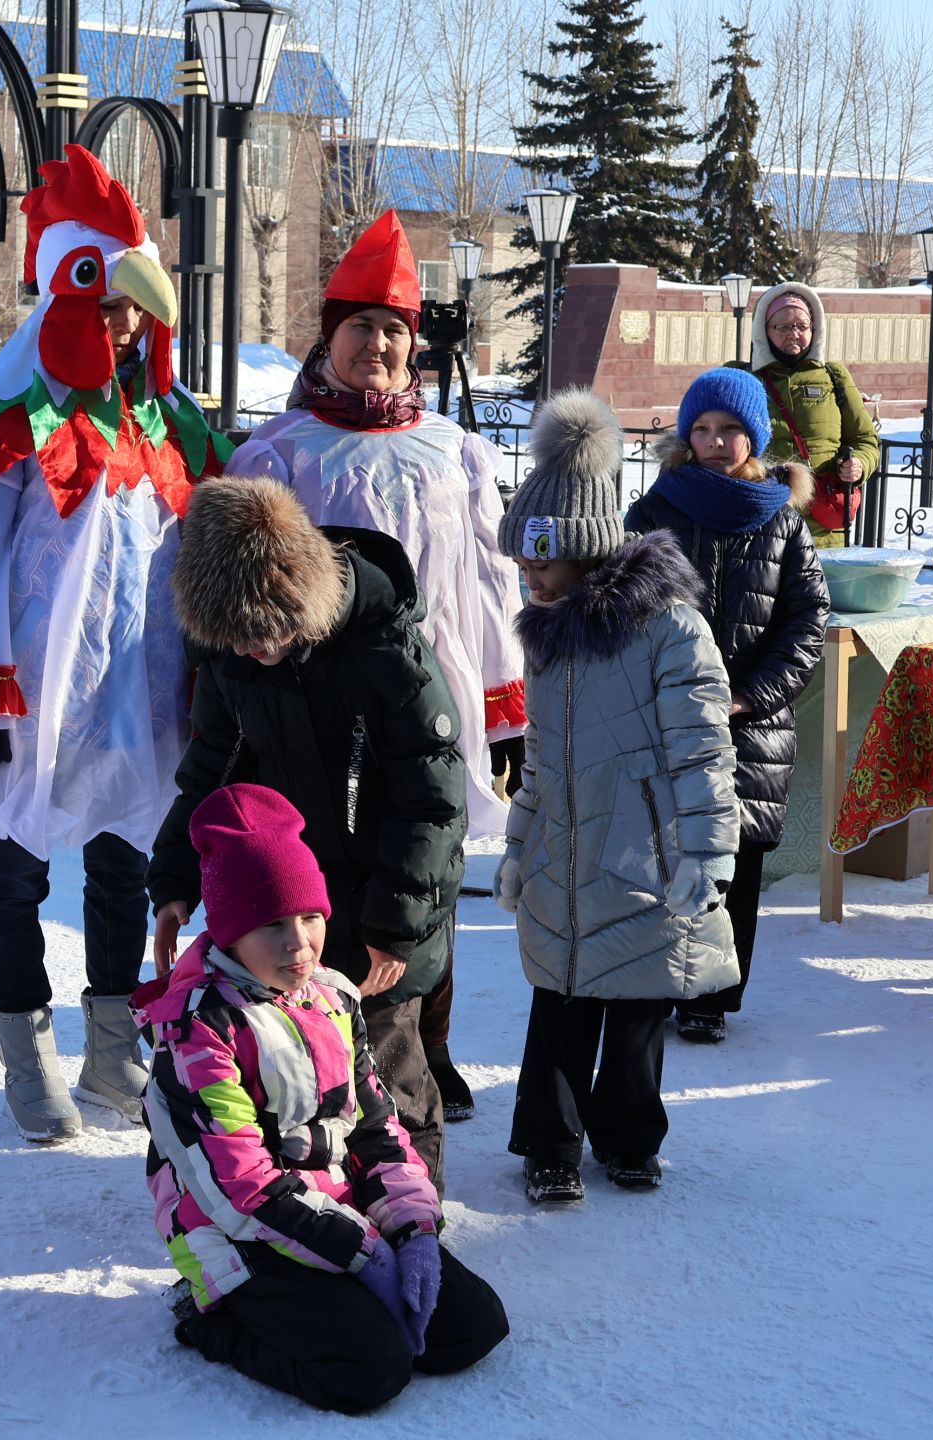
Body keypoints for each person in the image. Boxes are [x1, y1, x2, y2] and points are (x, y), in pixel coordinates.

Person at [0, 146, 230, 1144]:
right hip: (35, 690)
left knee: (127, 864)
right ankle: (24, 1050)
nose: (127, 321)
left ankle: (112, 1046)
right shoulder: (4, 408)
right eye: (110, 297)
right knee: (17, 868)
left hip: (141, 688)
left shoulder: (169, 416)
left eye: (139, 303)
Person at [223, 209, 522, 1125]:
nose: (381, 346)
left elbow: (490, 579)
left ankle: (429, 1049)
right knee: (328, 871)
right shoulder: (278, 455)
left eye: (396, 331)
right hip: (324, 703)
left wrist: (507, 709)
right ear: (330, 338)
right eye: (364, 329)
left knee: (427, 866)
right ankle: (320, 1044)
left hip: (438, 692)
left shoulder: (456, 452)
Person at [137, 784, 509, 1413]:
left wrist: (412, 1231)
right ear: (229, 933)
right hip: (240, 1233)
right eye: (270, 924)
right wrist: (362, 1254)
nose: (298, 943)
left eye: (309, 917)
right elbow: (239, 1185)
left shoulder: (334, 999)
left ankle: (348, 1291)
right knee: (371, 1372)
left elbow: (376, 1127)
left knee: (474, 1327)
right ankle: (207, 1315)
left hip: (333, 1211)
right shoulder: (198, 1027)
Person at [148, 477, 467, 1189]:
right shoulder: (238, 663)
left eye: (265, 631)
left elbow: (434, 801)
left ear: (299, 598)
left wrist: (395, 924)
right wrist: (172, 878)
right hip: (292, 904)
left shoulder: (386, 654)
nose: (252, 650)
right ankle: (320, 1208)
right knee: (302, 1072)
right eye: (234, 637)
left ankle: (415, 1214)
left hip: (387, 904)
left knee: (386, 1075)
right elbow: (210, 774)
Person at [494, 390, 742, 1202]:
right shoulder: (548, 633)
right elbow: (537, 757)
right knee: (560, 994)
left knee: (638, 999)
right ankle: (550, 1142)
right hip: (566, 847)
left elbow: (703, 747)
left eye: (542, 563)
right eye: (523, 566)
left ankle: (631, 1134)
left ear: (590, 550)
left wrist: (708, 851)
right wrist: (517, 843)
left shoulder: (668, 627)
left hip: (644, 846)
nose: (530, 580)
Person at [624, 367, 830, 1044]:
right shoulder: (655, 509)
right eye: (704, 429)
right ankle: (653, 979)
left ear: (755, 436)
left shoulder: (781, 519)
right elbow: (625, 605)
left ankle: (711, 994)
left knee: (733, 861)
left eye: (731, 429)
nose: (716, 441)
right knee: (664, 848)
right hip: (667, 715)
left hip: (750, 726)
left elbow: (806, 622)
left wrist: (751, 694)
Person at [747, 283, 881, 547]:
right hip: (759, 527)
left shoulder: (834, 377)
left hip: (822, 534)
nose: (793, 334)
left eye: (801, 326)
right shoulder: (745, 379)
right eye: (782, 327)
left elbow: (866, 440)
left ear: (814, 329)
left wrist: (860, 465)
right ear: (764, 331)